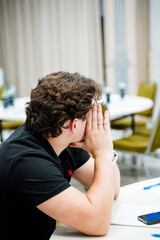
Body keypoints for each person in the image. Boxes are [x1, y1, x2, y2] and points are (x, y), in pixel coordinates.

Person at [0, 72, 120, 239]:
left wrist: (107, 152)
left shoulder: (62, 138)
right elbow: (98, 224)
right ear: (75, 124)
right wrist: (102, 154)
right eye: (89, 117)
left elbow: (112, 189)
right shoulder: (26, 161)